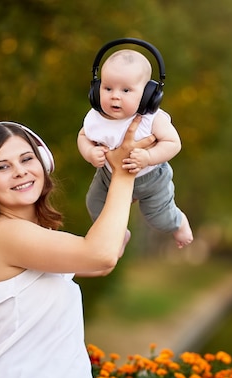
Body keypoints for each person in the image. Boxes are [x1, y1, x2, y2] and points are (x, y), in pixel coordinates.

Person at [0, 117, 153, 378]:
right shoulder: (2, 235)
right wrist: (123, 171)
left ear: (43, 162)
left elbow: (102, 260)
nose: (20, 171)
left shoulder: (37, 238)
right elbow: (100, 254)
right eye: (2, 166)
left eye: (26, 159)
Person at [78, 48, 193, 249]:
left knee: (159, 219)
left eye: (125, 90)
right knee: (94, 204)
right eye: (107, 88)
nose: (115, 96)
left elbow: (173, 143)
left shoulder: (152, 120)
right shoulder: (96, 118)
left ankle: (179, 221)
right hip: (108, 176)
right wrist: (89, 152)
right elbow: (82, 136)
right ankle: (120, 234)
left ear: (148, 94)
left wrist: (149, 156)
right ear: (96, 89)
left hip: (151, 179)